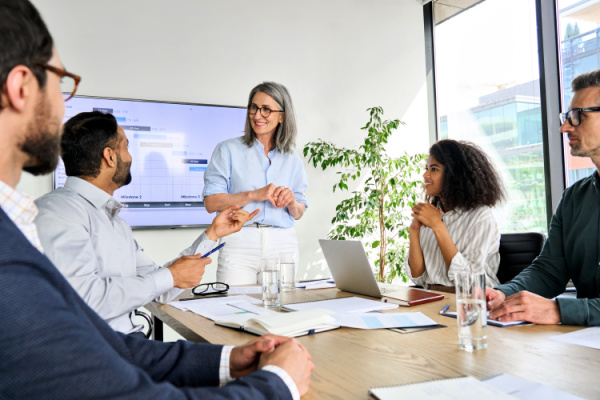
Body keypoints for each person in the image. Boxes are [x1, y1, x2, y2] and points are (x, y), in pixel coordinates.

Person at [0, 1, 313, 397]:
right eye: (61, 82)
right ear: (21, 86)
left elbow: (154, 293)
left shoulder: (109, 218)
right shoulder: (53, 216)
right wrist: (278, 384)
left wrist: (212, 238)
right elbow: (100, 307)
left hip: (141, 344)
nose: (63, 103)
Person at [34, 111, 259, 335]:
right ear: (110, 157)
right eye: (126, 147)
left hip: (129, 344)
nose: (130, 157)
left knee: (229, 357)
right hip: (98, 353)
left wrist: (212, 234)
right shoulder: (58, 212)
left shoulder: (114, 223)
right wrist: (170, 275)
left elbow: (160, 287)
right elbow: (85, 300)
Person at [487, 69, 600, 326]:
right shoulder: (574, 198)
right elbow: (549, 271)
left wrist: (559, 311)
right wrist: (503, 293)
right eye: (566, 117)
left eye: (577, 116)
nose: (564, 127)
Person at [203, 82, 308, 285]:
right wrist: (252, 195)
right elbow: (210, 203)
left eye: (266, 109)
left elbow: (300, 211)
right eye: (253, 107)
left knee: (281, 311)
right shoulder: (227, 150)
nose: (257, 115)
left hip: (282, 244)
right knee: (235, 311)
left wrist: (292, 203)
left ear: (282, 116)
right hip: (240, 241)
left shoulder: (292, 158)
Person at [406, 139, 505, 292]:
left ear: (453, 174)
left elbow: (469, 281)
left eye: (433, 169)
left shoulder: (480, 216)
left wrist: (438, 226)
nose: (425, 175)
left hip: (470, 302)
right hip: (431, 297)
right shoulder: (431, 213)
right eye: (426, 168)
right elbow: (417, 276)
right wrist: (414, 231)